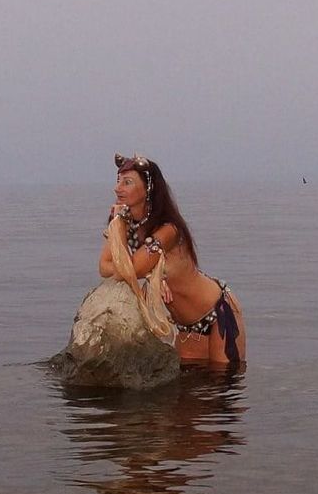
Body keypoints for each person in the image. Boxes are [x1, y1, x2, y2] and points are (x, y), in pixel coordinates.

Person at [98, 153, 245, 366]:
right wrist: (120, 226)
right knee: (187, 385)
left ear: (148, 189)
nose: (117, 188)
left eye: (127, 182)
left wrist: (144, 271)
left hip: (217, 313)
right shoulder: (128, 224)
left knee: (225, 380)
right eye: (118, 181)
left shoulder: (168, 231)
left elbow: (130, 270)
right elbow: (104, 267)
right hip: (184, 326)